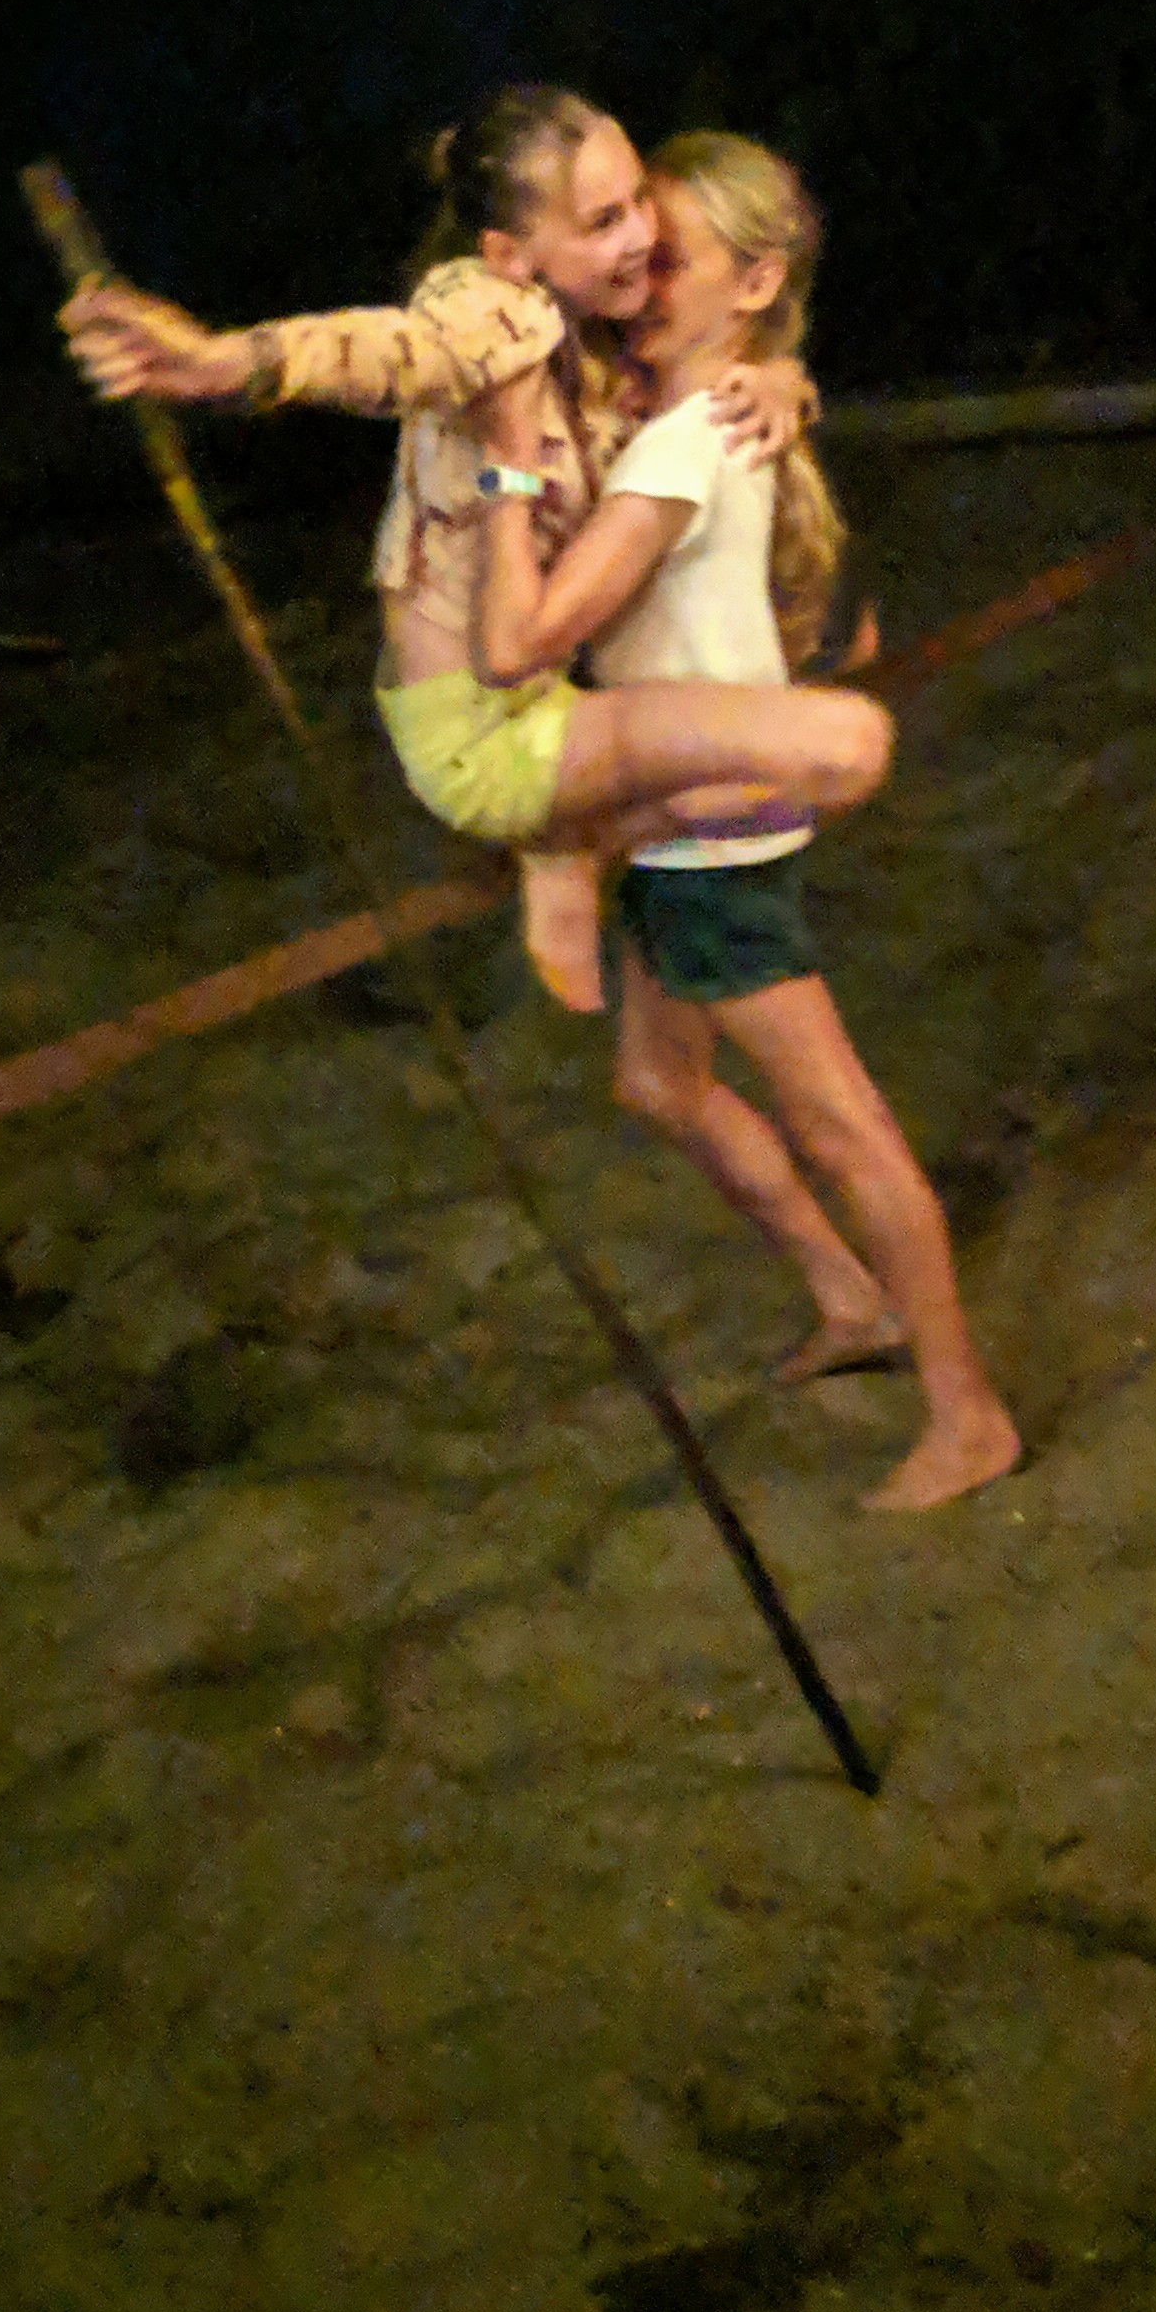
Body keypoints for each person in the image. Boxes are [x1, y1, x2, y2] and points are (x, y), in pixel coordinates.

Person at [467, 130, 1021, 1519]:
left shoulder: (688, 437)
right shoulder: (714, 409)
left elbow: (534, 630)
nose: (639, 277)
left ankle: (967, 1417)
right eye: (633, 249)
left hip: (711, 840)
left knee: (842, 1126)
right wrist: (782, 374)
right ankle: (849, 1298)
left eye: (672, 259)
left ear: (756, 279)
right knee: (660, 1086)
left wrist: (502, 481)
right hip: (674, 824)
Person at [58, 85, 891, 1006]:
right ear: (509, 253)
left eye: (638, 211)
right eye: (605, 220)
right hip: (485, 727)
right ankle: (570, 843)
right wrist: (227, 363)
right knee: (838, 745)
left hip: (543, 694)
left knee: (804, 716)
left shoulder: (595, 322)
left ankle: (586, 863)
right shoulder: (492, 317)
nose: (638, 239)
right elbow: (391, 351)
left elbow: (701, 361)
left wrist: (777, 376)